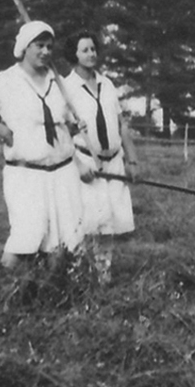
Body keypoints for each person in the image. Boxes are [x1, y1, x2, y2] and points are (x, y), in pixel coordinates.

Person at [0, 21, 87, 268]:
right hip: (26, 173)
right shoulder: (7, 80)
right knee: (25, 238)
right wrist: (1, 131)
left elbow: (62, 121)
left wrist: (72, 126)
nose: (45, 52)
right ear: (24, 47)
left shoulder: (56, 81)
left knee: (63, 242)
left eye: (49, 46)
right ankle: (1, 294)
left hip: (62, 171)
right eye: (39, 45)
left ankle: (51, 297)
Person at [61, 29, 137, 281]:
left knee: (109, 223)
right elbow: (60, 133)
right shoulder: (66, 88)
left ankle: (104, 276)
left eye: (93, 49)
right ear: (74, 54)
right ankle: (79, 277)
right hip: (85, 161)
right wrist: (76, 161)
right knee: (87, 222)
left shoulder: (107, 84)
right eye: (85, 50)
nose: (91, 54)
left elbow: (121, 123)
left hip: (112, 160)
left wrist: (132, 159)